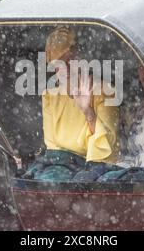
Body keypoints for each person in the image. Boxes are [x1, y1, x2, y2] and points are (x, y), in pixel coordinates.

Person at [24, 27, 120, 181]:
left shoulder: (105, 91)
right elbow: (53, 151)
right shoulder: (49, 96)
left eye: (68, 60)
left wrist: (88, 111)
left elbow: (107, 152)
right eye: (57, 64)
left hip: (96, 170)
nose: (64, 69)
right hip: (60, 169)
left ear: (80, 57)